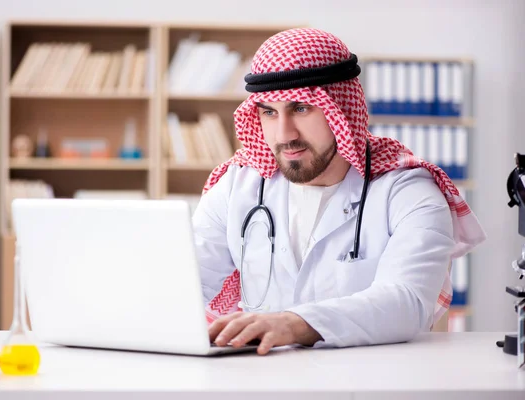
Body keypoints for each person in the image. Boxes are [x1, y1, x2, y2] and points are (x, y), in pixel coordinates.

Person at [192, 27, 486, 355]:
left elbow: (407, 301)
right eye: (269, 112)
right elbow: (184, 283)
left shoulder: (407, 191)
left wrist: (292, 324)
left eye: (301, 108)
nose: (284, 134)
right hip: (263, 379)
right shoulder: (238, 185)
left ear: (340, 108)